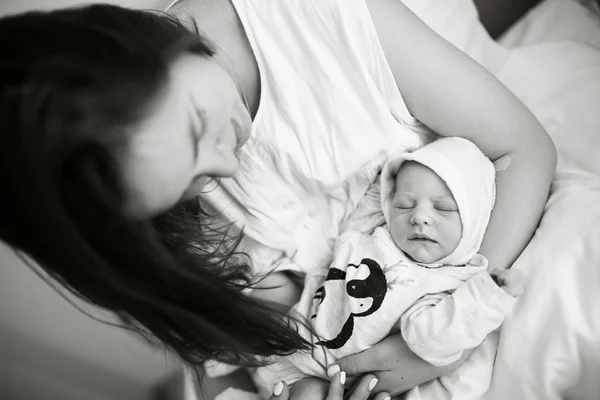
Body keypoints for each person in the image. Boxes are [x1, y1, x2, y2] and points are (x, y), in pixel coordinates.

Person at [0, 1, 556, 399]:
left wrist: (451, 329)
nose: (221, 166)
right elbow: (233, 358)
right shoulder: (151, 218)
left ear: (153, 45)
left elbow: (523, 149)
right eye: (188, 183)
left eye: (198, 128)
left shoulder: (314, 16)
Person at [252, 137, 523, 400]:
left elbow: (436, 337)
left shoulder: (445, 282)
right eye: (405, 205)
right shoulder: (371, 233)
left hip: (328, 379)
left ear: (474, 225)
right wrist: (386, 167)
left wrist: (489, 295)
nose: (418, 217)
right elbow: (376, 196)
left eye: (443, 209)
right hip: (282, 335)